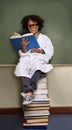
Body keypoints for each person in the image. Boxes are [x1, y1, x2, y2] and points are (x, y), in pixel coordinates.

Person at [14, 15, 54, 105]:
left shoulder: (45, 38)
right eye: (30, 25)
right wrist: (23, 47)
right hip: (27, 58)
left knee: (37, 65)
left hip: (39, 58)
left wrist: (41, 50)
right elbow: (22, 54)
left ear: (38, 25)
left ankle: (29, 91)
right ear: (27, 27)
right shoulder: (24, 39)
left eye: (34, 25)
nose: (32, 27)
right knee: (21, 66)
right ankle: (29, 93)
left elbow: (50, 50)